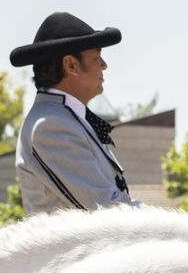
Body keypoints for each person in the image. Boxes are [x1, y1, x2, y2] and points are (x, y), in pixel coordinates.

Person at [11, 11, 138, 216]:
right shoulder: (50, 125)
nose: (104, 65)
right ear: (71, 65)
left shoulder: (66, 117)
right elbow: (106, 210)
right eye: (97, 57)